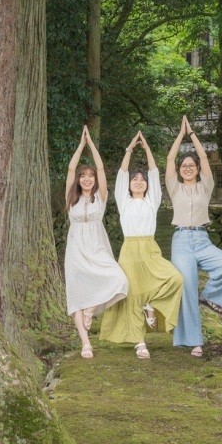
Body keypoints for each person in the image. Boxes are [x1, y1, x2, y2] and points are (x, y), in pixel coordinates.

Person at [100, 131, 183, 359]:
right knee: (132, 296)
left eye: (142, 180)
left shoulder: (152, 201)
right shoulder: (124, 201)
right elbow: (121, 174)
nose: (138, 182)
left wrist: (147, 150)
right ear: (129, 186)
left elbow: (155, 174)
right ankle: (140, 342)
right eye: (135, 180)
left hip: (149, 248)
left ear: (147, 186)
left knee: (175, 278)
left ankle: (151, 305)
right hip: (129, 251)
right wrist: (129, 150)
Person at [166, 115, 222, 357]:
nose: (187, 168)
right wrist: (180, 134)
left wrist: (193, 134)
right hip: (181, 241)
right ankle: (195, 341)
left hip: (202, 239)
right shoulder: (174, 186)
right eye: (184, 166)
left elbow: (205, 157)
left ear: (197, 169)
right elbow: (168, 158)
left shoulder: (205, 186)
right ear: (179, 170)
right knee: (186, 286)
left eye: (191, 166)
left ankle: (208, 297)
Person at [65, 125, 128, 359]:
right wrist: (80, 146)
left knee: (119, 280)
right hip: (76, 250)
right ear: (79, 180)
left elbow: (101, 167)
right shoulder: (71, 198)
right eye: (84, 176)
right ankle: (85, 343)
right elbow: (71, 168)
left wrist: (91, 143)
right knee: (76, 295)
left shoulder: (100, 197)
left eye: (90, 176)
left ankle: (91, 310)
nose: (87, 179)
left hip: (97, 246)